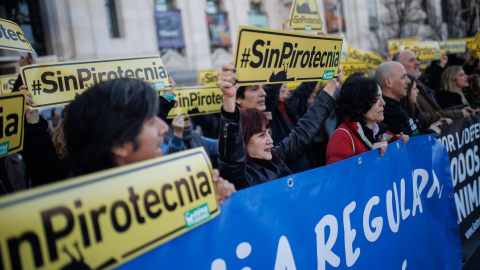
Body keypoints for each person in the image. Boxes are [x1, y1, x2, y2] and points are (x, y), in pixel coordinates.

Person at [21, 79, 235, 203]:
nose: (164, 127)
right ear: (120, 144)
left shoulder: (161, 191)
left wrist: (209, 205)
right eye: (151, 122)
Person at [216, 63, 340, 190]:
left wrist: (331, 86)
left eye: (268, 133)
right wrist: (228, 98)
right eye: (261, 135)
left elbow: (304, 132)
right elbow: (231, 146)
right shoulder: (240, 175)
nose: (270, 140)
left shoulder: (275, 158)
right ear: (243, 140)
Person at [326, 77, 408, 165]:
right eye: (376, 99)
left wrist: (398, 143)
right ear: (359, 104)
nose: (383, 103)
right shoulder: (341, 138)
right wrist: (370, 158)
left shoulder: (378, 130)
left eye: (382, 96)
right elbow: (341, 177)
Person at [395, 49, 477, 128]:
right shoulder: (404, 91)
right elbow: (421, 117)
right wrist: (458, 113)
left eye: (417, 59)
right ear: (399, 66)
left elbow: (435, 111)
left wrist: (460, 109)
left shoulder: (420, 84)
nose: (418, 63)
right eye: (412, 60)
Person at [375, 61, 419, 136]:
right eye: (403, 77)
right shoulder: (386, 113)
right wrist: (431, 132)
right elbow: (411, 143)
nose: (408, 81)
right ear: (389, 82)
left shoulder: (398, 105)